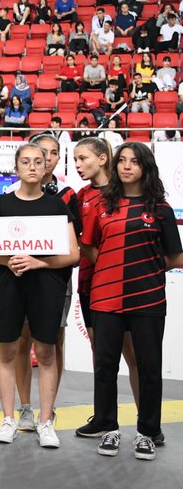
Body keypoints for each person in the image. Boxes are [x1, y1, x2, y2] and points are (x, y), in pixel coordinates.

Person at [75, 143, 182, 461]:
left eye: (134, 161)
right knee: (104, 366)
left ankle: (148, 433)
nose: (126, 166)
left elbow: (174, 257)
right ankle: (107, 427)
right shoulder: (102, 205)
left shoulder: (160, 208)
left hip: (147, 299)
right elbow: (91, 249)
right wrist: (115, 269)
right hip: (105, 297)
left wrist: (141, 270)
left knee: (149, 368)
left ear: (145, 166)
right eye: (122, 160)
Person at [0, 142, 79, 448]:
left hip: (45, 285)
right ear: (17, 167)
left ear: (46, 166)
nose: (33, 166)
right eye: (26, 161)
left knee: (47, 352)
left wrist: (39, 262)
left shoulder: (56, 206)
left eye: (38, 161)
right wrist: (6, 260)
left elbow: (73, 254)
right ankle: (9, 418)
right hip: (7, 284)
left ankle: (46, 421)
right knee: (8, 350)